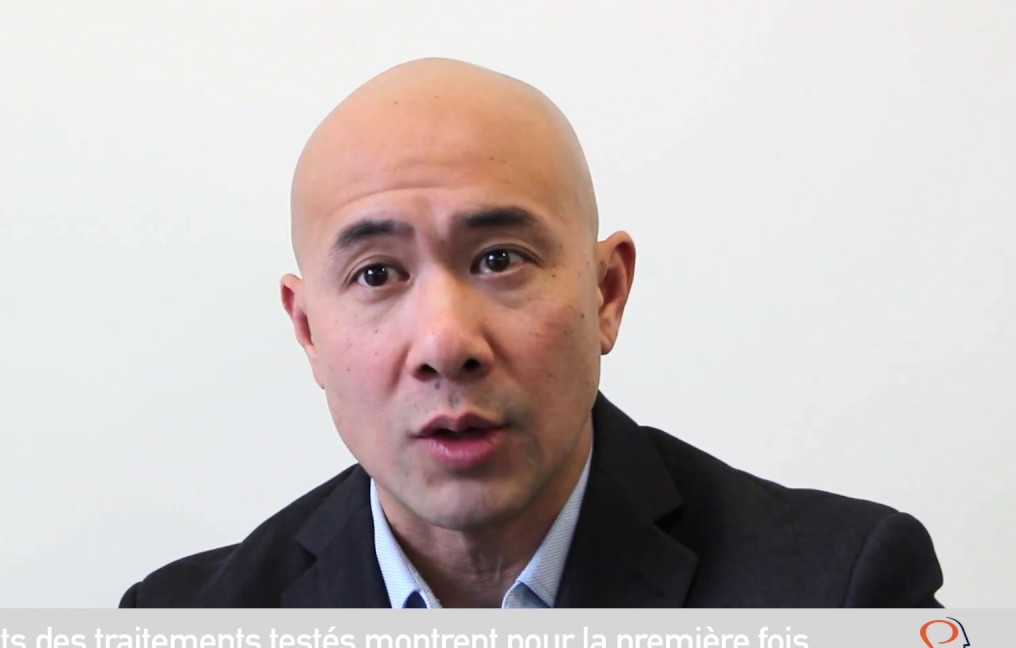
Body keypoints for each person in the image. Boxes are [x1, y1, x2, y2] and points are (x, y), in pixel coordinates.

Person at [120, 58, 944, 608]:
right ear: (307, 332)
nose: (446, 344)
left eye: (500, 259)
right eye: (376, 274)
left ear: (607, 293)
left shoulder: (842, 598)